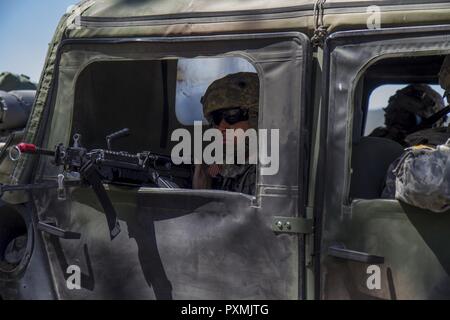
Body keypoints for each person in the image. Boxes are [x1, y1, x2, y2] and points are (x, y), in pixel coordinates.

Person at [192, 72, 259, 195]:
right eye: (217, 118)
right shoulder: (223, 166)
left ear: (256, 118)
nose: (222, 127)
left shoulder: (270, 171)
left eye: (232, 115)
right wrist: (202, 190)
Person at [369, 84, 445, 146]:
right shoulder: (378, 137)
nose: (398, 119)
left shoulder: (435, 146)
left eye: (406, 116)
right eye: (395, 112)